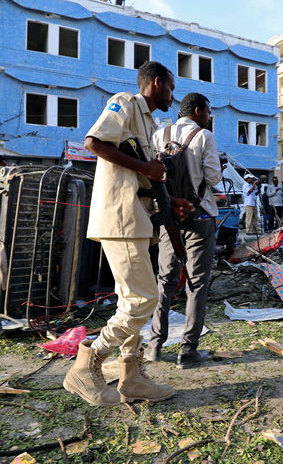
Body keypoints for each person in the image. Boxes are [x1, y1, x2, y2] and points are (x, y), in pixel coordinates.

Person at [63, 61, 192, 406]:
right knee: (142, 299)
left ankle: (131, 376)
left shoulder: (148, 122)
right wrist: (148, 168)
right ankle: (88, 362)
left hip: (136, 218)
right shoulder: (124, 102)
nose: (172, 95)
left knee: (130, 300)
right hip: (119, 217)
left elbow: (140, 176)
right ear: (157, 83)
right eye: (171, 88)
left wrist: (172, 201)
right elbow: (94, 142)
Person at [146, 92, 222, 369]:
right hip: (199, 215)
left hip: (168, 218)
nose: (209, 117)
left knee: (164, 280)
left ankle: (154, 345)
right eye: (208, 112)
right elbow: (213, 177)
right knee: (197, 284)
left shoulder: (159, 133)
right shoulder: (204, 136)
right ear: (200, 111)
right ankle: (187, 352)